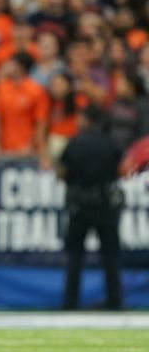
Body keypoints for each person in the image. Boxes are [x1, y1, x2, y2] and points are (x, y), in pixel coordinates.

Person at [57, 104, 123, 310]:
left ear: (86, 120)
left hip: (80, 204)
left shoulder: (75, 143)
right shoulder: (111, 143)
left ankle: (70, 302)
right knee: (110, 257)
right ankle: (114, 302)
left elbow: (61, 172)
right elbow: (121, 169)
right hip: (105, 204)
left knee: (75, 257)